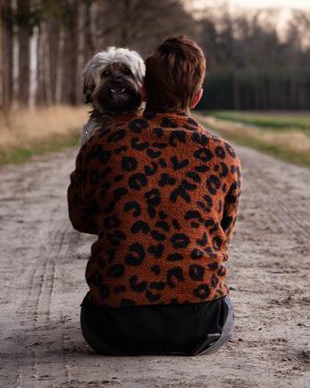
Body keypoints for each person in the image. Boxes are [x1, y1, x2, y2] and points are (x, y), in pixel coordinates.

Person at [67, 36, 242, 356]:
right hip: (201, 327)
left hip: (112, 329)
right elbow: (222, 234)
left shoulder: (100, 145)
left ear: (144, 91)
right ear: (198, 96)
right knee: (224, 305)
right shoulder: (223, 154)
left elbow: (80, 219)